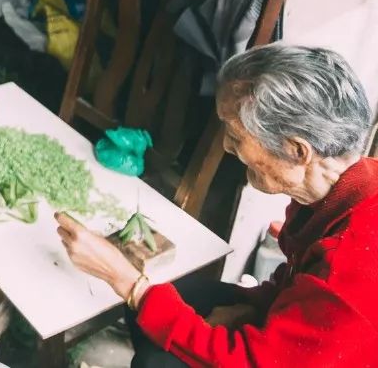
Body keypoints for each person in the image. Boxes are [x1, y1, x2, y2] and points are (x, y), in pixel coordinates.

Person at [57, 44, 378, 367]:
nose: (226, 146)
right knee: (161, 301)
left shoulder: (347, 270)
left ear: (298, 151)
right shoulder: (344, 188)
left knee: (155, 356)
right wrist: (256, 304)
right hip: (306, 339)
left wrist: (124, 279)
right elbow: (297, 284)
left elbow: (252, 361)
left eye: (237, 137)